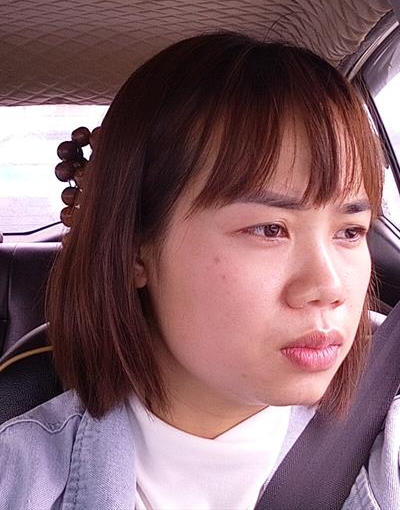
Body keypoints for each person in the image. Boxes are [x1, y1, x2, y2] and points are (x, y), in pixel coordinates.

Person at [0, 31, 397, 510]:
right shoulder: (17, 474)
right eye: (269, 229)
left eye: (350, 231)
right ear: (134, 250)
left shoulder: (388, 424)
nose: (329, 287)